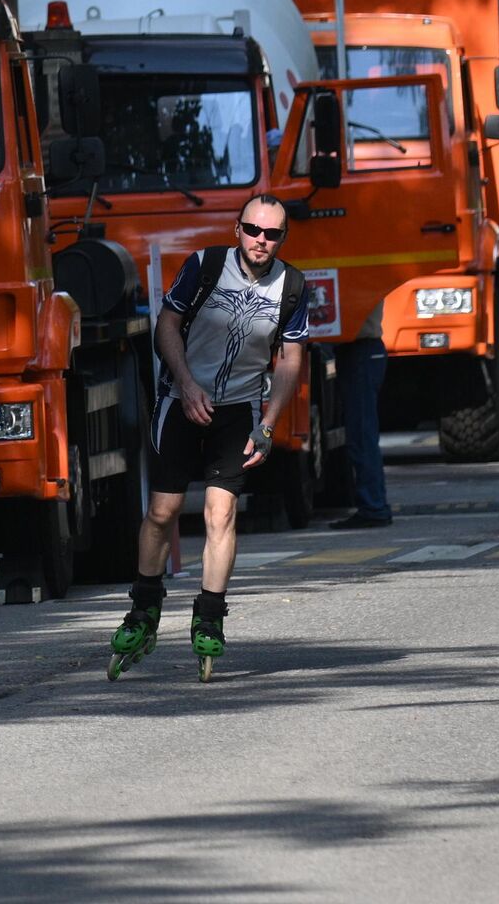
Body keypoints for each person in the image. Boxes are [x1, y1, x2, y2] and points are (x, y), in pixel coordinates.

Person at [108, 195, 309, 682]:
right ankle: (144, 609)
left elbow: (290, 360)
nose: (261, 241)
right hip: (181, 400)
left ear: (283, 238)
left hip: (238, 410)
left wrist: (268, 424)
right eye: (253, 230)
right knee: (164, 510)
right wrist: (186, 383)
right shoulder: (206, 265)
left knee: (221, 513)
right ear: (237, 229)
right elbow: (167, 325)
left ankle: (210, 618)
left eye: (272, 234)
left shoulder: (293, 285)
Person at [329, 301, 392, 529]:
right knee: (361, 435)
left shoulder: (360, 285)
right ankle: (374, 504)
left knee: (362, 436)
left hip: (361, 350)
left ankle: (374, 506)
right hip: (361, 351)